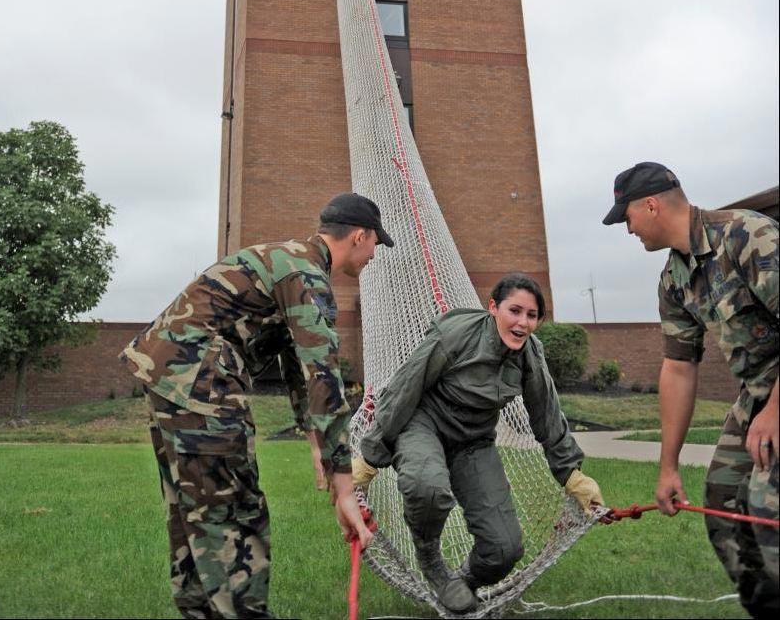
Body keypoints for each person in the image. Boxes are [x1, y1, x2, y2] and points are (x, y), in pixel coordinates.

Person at [121, 192, 393, 619]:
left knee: (195, 507)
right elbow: (323, 375)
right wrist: (345, 484)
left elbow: (295, 365)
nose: (375, 255)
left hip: (168, 376)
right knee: (234, 509)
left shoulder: (287, 260)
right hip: (201, 379)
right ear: (359, 236)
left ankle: (202, 611)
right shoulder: (307, 276)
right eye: (377, 243)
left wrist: (317, 444)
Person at [351, 273, 605, 614]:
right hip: (423, 425)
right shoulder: (455, 334)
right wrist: (370, 458)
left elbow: (546, 414)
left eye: (532, 315)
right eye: (514, 310)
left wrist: (572, 476)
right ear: (493, 308)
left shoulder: (530, 354)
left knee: (505, 549)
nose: (522, 322)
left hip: (473, 441)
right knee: (428, 488)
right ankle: (429, 556)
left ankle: (460, 582)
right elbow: (404, 389)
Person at [604, 162, 778, 620]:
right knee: (722, 504)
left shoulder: (748, 235)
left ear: (652, 205)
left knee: (768, 507)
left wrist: (776, 410)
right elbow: (678, 368)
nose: (628, 229)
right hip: (758, 392)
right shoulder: (673, 280)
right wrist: (667, 467)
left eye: (627, 217)